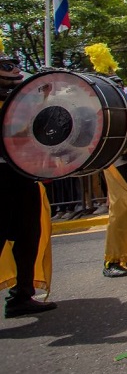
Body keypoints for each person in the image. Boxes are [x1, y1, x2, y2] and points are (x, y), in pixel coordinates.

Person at [0, 56, 57, 318]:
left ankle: (21, 296)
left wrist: (43, 99)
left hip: (21, 175)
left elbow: (31, 130)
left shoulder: (18, 102)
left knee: (28, 236)